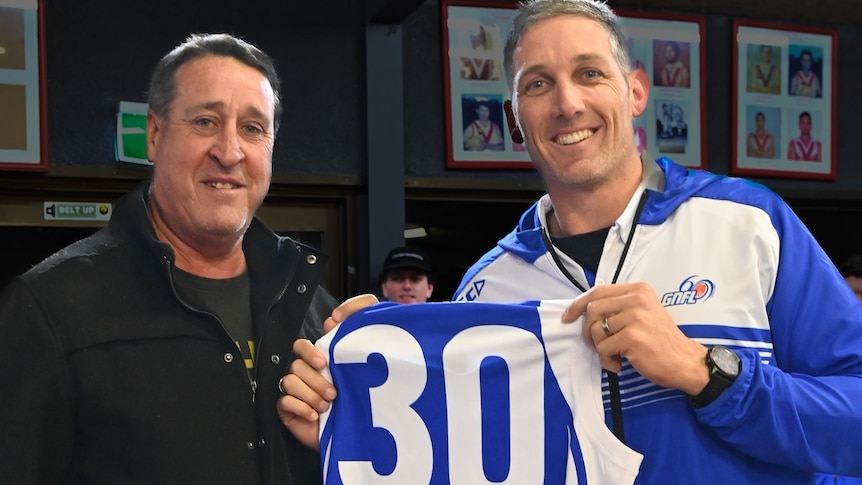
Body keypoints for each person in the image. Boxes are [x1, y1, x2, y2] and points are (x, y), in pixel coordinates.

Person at [278, 1, 862, 484]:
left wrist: (705, 372)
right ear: (512, 116)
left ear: (634, 91)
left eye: (589, 73)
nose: (567, 103)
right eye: (538, 84)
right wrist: (350, 407)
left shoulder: (747, 223)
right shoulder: (487, 287)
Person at [0, 33, 338, 484]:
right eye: (205, 121)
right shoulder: (49, 310)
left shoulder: (315, 311)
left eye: (253, 128)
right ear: (155, 135)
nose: (230, 151)